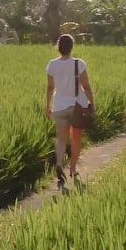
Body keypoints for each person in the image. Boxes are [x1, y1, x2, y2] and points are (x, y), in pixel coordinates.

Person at [45, 33, 94, 190]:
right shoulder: (79, 64)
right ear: (72, 47)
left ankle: (59, 163)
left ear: (58, 47)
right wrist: (91, 103)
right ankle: (72, 169)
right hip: (77, 106)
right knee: (76, 139)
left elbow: (50, 87)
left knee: (61, 139)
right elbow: (86, 86)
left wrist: (48, 105)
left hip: (59, 106)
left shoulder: (52, 65)